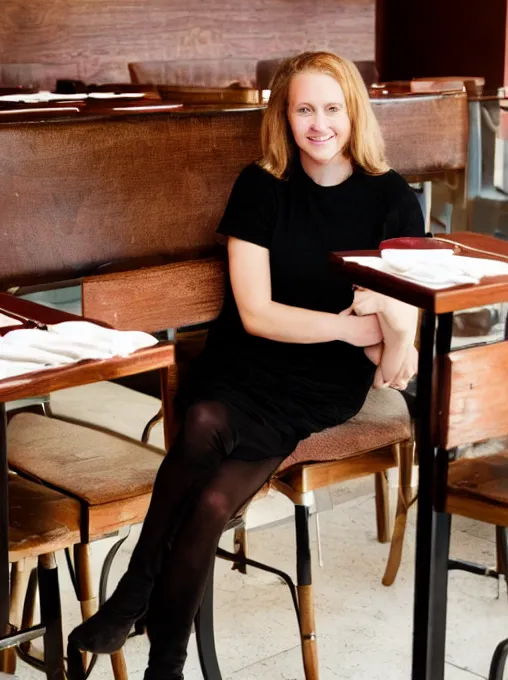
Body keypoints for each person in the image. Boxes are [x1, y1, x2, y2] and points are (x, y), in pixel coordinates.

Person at [69, 51, 424, 679]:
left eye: (332, 108)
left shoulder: (393, 200)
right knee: (205, 443)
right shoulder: (260, 185)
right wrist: (352, 326)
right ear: (284, 116)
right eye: (304, 109)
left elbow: (392, 365)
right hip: (243, 361)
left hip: (316, 388)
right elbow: (257, 313)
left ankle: (136, 599)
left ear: (354, 113)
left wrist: (395, 323)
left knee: (209, 478)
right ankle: (163, 656)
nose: (319, 124)